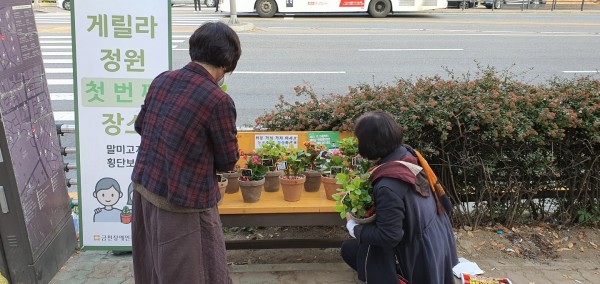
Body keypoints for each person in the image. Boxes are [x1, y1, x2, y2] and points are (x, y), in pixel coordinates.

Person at [130, 22, 241, 284]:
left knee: (153, 269)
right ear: (227, 62)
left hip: (145, 190)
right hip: (183, 204)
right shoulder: (218, 100)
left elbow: (140, 125)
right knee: (196, 272)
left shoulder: (163, 79)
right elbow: (227, 160)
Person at [340, 111, 458, 283]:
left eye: (360, 140)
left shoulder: (388, 185)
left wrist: (352, 226)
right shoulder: (407, 155)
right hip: (437, 242)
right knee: (354, 248)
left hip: (419, 256)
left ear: (370, 144)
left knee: (354, 250)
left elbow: (389, 236)